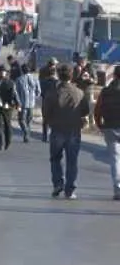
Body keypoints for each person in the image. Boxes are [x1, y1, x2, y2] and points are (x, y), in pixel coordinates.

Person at [43, 64, 90, 199]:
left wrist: (50, 122)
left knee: (55, 159)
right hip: (74, 131)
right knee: (72, 161)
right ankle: (70, 189)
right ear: (72, 75)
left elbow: (46, 112)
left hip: (57, 129)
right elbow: (85, 110)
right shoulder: (79, 92)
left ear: (58, 75)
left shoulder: (52, 93)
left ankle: (58, 183)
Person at [93, 65, 120, 201]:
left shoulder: (105, 91)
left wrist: (100, 125)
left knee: (115, 159)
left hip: (109, 127)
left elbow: (97, 110)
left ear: (114, 76)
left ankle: (118, 189)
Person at [0, 65, 21, 150]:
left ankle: (0, 144)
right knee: (7, 124)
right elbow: (15, 94)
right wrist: (18, 104)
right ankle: (7, 143)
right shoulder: (11, 82)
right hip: (8, 107)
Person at [16, 63, 41, 143]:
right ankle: (27, 135)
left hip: (22, 102)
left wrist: (17, 102)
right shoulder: (35, 78)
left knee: (21, 119)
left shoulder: (19, 79)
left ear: (22, 70)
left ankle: (26, 132)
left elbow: (16, 92)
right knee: (29, 120)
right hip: (32, 102)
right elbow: (38, 91)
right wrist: (34, 96)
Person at [40, 65, 59, 143]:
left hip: (45, 101)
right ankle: (53, 135)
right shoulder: (57, 82)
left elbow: (40, 92)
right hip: (55, 102)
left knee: (45, 120)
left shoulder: (42, 81)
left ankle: (45, 136)